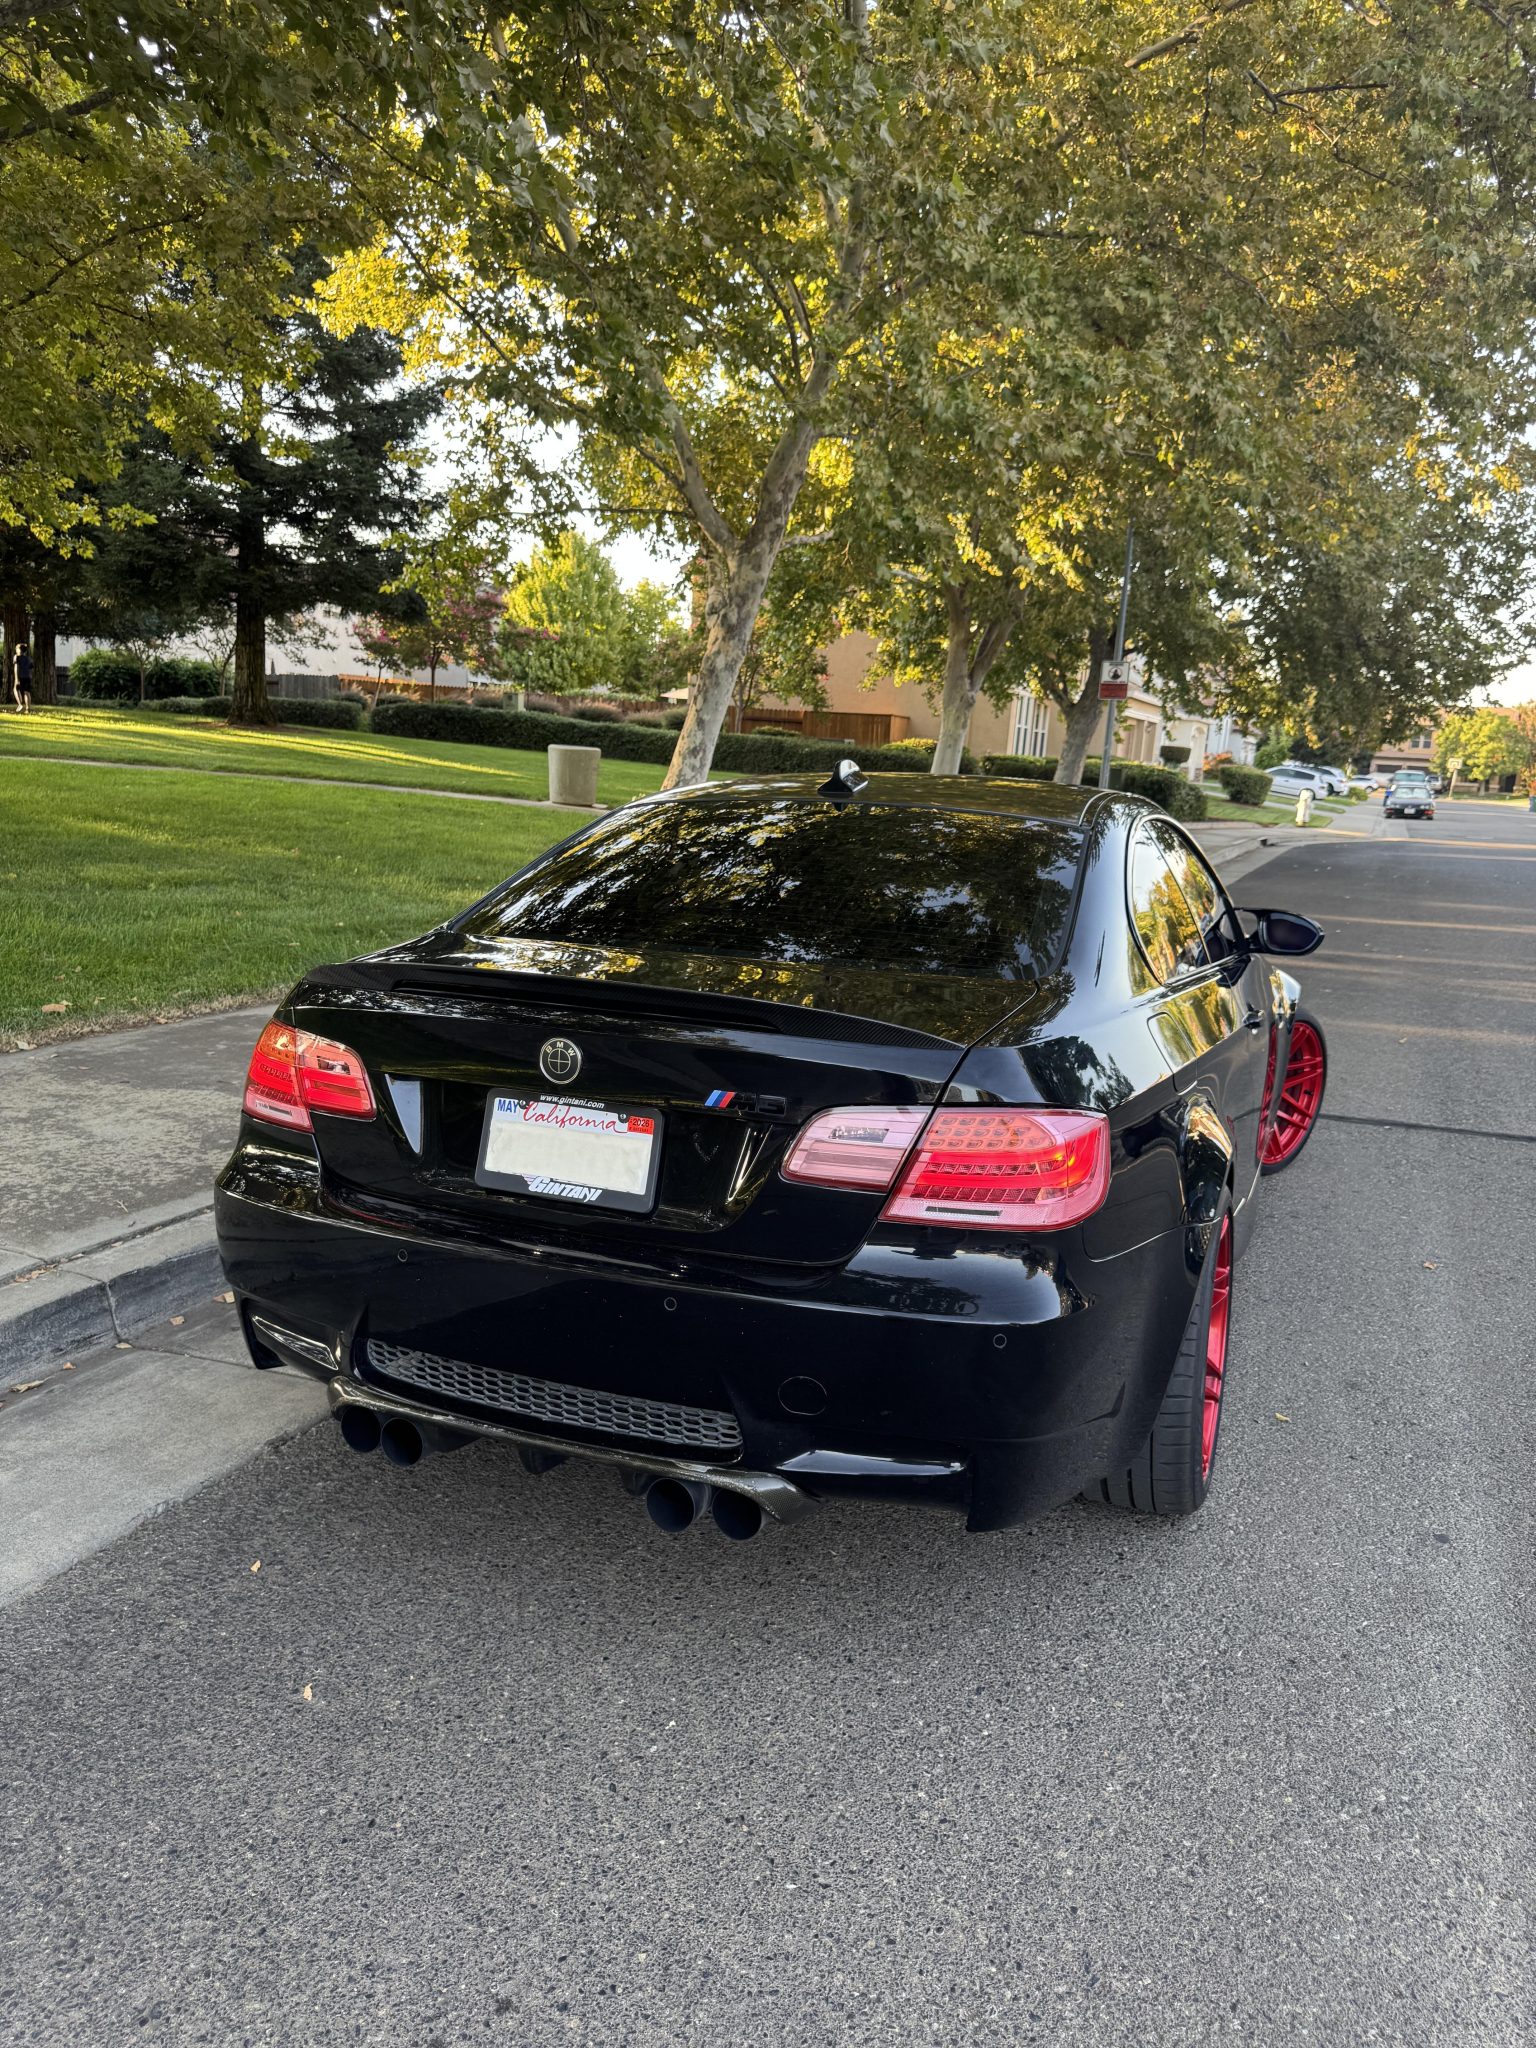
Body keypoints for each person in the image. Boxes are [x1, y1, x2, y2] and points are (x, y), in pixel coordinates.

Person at [12, 643, 31, 712]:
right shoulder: (28, 658)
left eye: (16, 649)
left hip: (20, 676)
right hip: (27, 677)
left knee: (15, 689)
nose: (16, 650)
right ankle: (27, 709)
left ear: (19, 650)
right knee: (27, 693)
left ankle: (20, 704)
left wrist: (17, 679)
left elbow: (16, 668)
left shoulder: (16, 657)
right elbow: (30, 667)